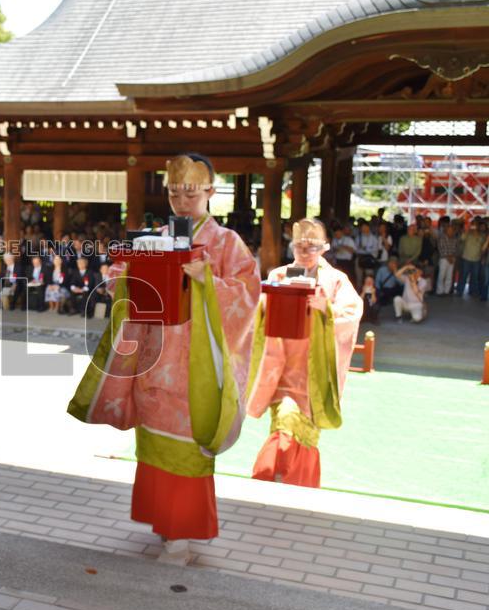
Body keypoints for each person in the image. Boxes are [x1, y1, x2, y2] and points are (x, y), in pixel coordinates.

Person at [68, 153, 259, 564]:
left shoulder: (227, 244)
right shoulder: (152, 238)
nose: (182, 199)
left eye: (191, 191)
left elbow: (248, 296)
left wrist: (208, 280)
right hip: (155, 362)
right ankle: (165, 526)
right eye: (175, 191)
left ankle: (181, 536)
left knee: (188, 448)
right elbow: (121, 276)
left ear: (211, 190)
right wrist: (121, 276)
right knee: (155, 447)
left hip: (197, 369)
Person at [247, 219, 363, 488]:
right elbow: (258, 310)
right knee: (283, 420)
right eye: (300, 245)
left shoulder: (335, 280)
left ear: (324, 248)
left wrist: (326, 309)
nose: (305, 250)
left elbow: (352, 313)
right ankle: (274, 477)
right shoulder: (277, 275)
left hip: (314, 373)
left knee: (306, 433)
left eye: (312, 246)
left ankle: (294, 482)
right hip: (283, 368)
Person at [436, 222, 460, 295]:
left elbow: (456, 249)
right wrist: (449, 257)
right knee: (441, 275)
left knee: (449, 276)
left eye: (452, 230)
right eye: (449, 230)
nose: (450, 231)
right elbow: (441, 249)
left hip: (452, 259)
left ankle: (447, 291)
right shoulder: (441, 238)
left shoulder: (455, 239)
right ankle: (440, 291)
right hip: (444, 259)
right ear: (446, 230)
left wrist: (453, 257)